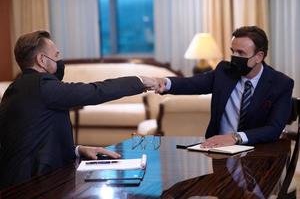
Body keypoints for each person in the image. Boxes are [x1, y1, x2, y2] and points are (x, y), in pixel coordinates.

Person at [0, 30, 156, 189]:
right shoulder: (42, 85)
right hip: (30, 187)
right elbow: (95, 91)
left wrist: (77, 150)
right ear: (41, 60)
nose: (60, 61)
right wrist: (140, 81)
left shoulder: (16, 87)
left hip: (16, 181)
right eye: (56, 56)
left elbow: (33, 140)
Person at [151, 26, 294, 148]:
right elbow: (192, 83)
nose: (234, 57)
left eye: (241, 53)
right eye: (233, 51)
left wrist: (235, 137)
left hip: (257, 152)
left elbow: (273, 129)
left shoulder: (281, 83)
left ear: (259, 56)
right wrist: (164, 82)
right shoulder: (224, 72)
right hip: (217, 151)